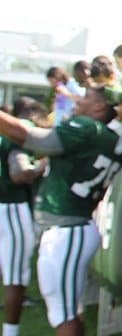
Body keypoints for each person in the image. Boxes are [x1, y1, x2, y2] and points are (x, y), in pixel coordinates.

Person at [0, 87, 122, 336]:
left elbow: (31, 137)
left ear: (99, 107)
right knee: (66, 310)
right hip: (72, 227)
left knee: (62, 314)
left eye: (86, 97)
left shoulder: (87, 129)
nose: (78, 100)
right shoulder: (107, 137)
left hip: (68, 228)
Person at [0, 98, 46, 336]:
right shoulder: (18, 135)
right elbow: (19, 173)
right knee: (14, 275)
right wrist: (41, 166)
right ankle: (10, 332)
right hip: (10, 206)